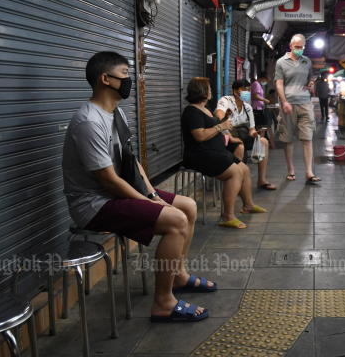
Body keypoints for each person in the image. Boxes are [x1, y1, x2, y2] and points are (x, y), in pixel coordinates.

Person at [62, 52, 211, 323]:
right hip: (95, 204)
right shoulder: (89, 122)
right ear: (105, 79)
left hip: (115, 194)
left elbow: (131, 161)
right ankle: (164, 303)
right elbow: (108, 179)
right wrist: (152, 204)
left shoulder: (115, 113)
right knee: (176, 220)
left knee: (187, 206)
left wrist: (152, 194)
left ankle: (179, 275)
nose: (131, 80)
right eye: (126, 75)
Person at [181, 77, 267, 230]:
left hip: (214, 152)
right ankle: (227, 216)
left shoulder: (205, 109)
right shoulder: (191, 111)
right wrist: (221, 127)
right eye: (208, 88)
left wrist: (229, 134)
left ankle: (248, 205)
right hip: (199, 155)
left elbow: (214, 128)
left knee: (244, 169)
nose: (211, 91)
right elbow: (199, 135)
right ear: (201, 91)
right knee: (235, 173)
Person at [274, 34, 320, 184]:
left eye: (302, 47)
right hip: (288, 104)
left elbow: (310, 80)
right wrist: (284, 101)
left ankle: (309, 172)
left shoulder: (307, 62)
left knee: (308, 138)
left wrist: (311, 84)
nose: (299, 49)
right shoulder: (281, 62)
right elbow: (279, 84)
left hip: (305, 103)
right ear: (291, 46)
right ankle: (291, 170)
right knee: (287, 139)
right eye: (297, 47)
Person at [216, 80, 276, 191]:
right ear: (235, 91)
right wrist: (231, 136)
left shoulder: (248, 108)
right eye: (244, 89)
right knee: (240, 146)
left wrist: (255, 134)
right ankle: (237, 180)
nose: (246, 92)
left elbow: (251, 130)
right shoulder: (226, 100)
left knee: (263, 141)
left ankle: (261, 180)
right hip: (227, 136)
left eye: (248, 90)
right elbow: (219, 116)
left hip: (242, 135)